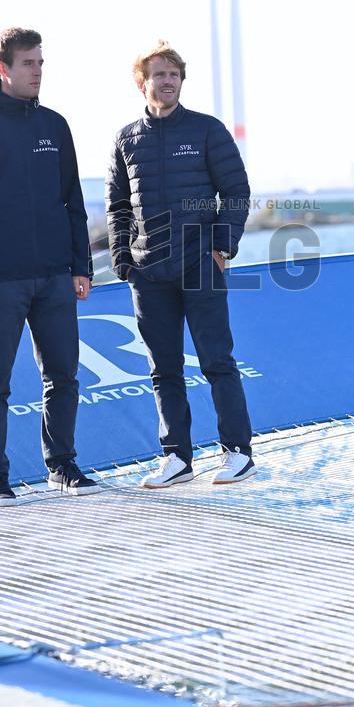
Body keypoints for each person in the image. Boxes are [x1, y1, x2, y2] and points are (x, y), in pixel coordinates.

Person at [0, 27, 97, 506]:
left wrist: (81, 266)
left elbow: (73, 200)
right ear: (2, 69)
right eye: (28, 63)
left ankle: (63, 466)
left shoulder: (54, 124)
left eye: (40, 62)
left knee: (64, 376)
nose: (37, 71)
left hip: (55, 273)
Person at [105, 40, 256, 488]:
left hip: (199, 263)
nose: (167, 81)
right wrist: (122, 257)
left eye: (173, 74)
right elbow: (116, 206)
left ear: (181, 81)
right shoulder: (126, 139)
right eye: (158, 74)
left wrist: (223, 245)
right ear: (142, 82)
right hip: (148, 271)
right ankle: (176, 458)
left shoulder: (207, 130)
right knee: (163, 368)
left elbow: (236, 191)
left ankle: (238, 453)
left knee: (217, 362)